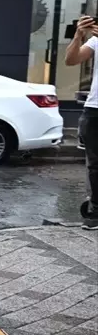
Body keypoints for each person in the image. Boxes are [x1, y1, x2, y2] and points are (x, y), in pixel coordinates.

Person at [63, 15, 97, 229]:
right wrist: (78, 36)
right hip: (95, 109)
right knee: (94, 165)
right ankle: (95, 210)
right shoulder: (95, 39)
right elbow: (71, 60)